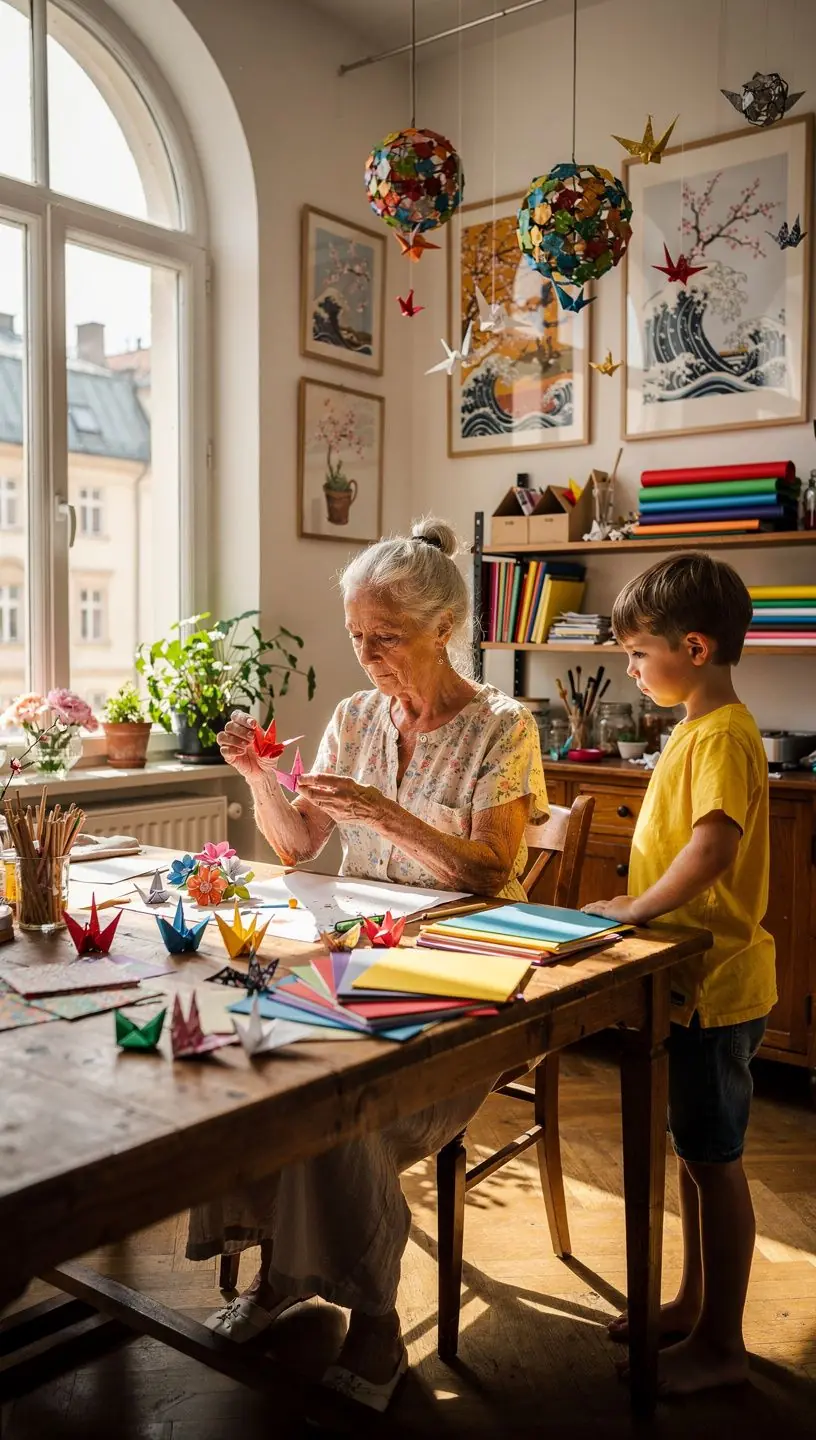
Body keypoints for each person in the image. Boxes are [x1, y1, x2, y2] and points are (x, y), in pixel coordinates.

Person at [189, 516, 548, 1410]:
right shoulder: (355, 717)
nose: (365, 656)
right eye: (355, 635)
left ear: (443, 629)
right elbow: (302, 846)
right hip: (358, 952)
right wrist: (259, 779)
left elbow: (490, 870)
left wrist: (387, 817)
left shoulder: (504, 727)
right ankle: (278, 1276)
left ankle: (377, 1316)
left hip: (464, 971)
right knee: (242, 1047)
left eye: (383, 638)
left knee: (333, 1094)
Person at [583, 553, 775, 1398]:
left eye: (637, 653)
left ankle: (723, 1341)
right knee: (696, 1155)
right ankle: (696, 1306)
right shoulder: (698, 729)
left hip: (718, 984)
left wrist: (635, 909)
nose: (629, 667)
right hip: (691, 984)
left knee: (716, 1162)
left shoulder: (726, 735)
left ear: (693, 647)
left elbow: (712, 848)